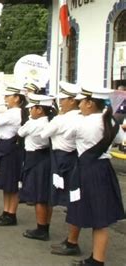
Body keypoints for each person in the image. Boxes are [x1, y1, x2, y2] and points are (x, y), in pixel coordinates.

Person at [66, 87, 125, 266]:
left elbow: (68, 137)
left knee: (89, 213)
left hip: (87, 170)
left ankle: (92, 257)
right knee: (101, 219)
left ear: (90, 103)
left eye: (81, 102)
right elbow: (118, 139)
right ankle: (97, 259)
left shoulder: (82, 123)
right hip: (104, 169)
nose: (79, 105)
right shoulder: (110, 121)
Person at [40, 81, 83, 256]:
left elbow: (44, 134)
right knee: (73, 200)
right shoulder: (81, 117)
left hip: (62, 158)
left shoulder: (61, 118)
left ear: (72, 101)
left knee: (72, 201)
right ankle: (71, 239)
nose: (61, 103)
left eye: (64, 99)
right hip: (73, 157)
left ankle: (72, 242)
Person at [0, 84, 28, 226]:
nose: (5, 98)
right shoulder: (10, 111)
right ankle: (6, 211)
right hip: (2, 146)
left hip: (10, 148)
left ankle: (12, 214)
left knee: (11, 183)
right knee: (5, 183)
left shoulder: (15, 112)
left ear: (16, 98)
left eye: (8, 96)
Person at [18, 94, 56, 240]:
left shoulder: (34, 123)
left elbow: (20, 132)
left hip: (34, 158)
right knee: (46, 195)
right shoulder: (49, 122)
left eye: (32, 108)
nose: (29, 111)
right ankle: (46, 225)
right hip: (46, 157)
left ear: (39, 109)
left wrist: (28, 121)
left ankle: (41, 229)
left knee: (38, 195)